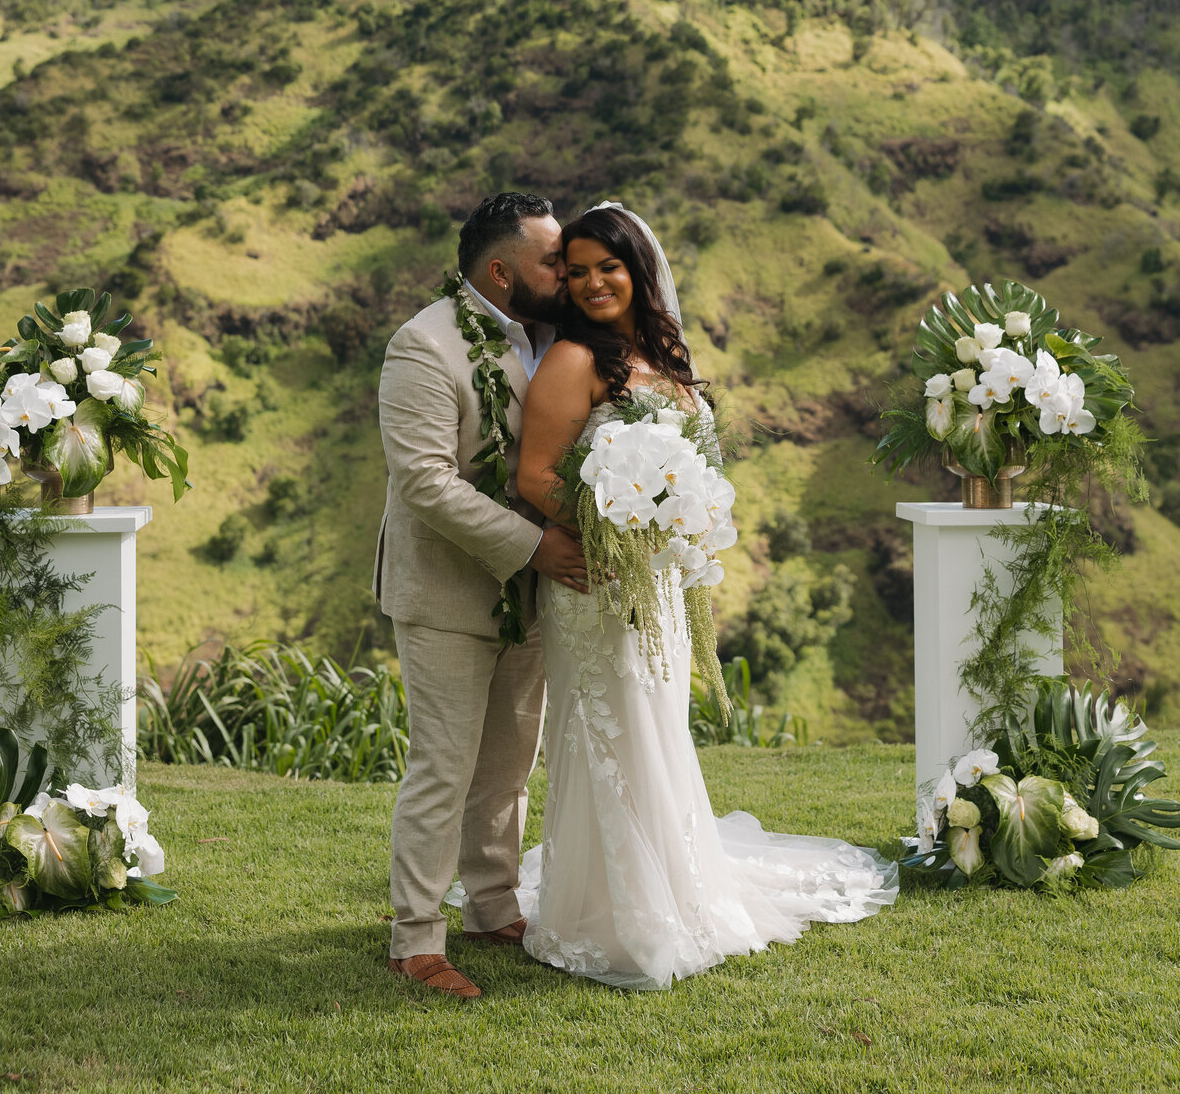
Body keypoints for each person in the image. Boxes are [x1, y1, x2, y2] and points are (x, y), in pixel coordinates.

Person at [512, 202, 899, 990]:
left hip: (655, 578)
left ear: (638, 271)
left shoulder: (665, 358)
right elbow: (536, 477)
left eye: (607, 267)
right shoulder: (570, 363)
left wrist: (677, 524)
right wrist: (615, 525)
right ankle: (611, 913)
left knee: (655, 727)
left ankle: (676, 885)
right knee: (608, 730)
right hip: (597, 581)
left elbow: (701, 471)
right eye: (576, 270)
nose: (591, 283)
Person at [376, 192, 590, 1001]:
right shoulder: (422, 346)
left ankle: (492, 905)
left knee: (508, 763)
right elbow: (425, 482)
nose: (563, 272)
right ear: (501, 272)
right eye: (549, 260)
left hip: (534, 589)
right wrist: (538, 544)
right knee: (445, 765)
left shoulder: (554, 339)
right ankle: (414, 940)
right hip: (447, 591)